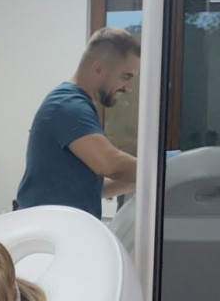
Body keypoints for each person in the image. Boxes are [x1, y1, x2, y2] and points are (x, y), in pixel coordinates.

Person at [16, 27, 141, 219]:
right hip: (48, 227)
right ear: (99, 68)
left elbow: (92, 187)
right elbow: (110, 164)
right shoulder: (68, 105)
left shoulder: (78, 105)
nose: (129, 87)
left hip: (58, 224)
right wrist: (164, 169)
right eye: (126, 76)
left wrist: (146, 180)